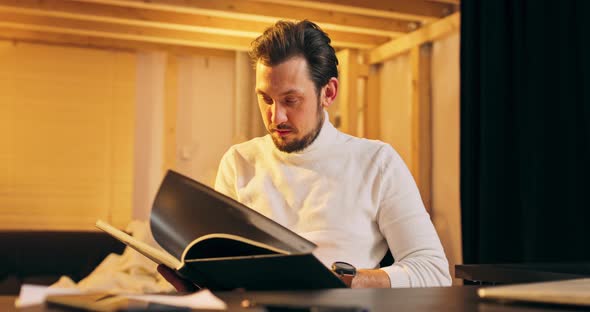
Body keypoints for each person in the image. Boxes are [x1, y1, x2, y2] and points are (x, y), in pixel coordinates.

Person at [158, 20, 452, 289]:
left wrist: (352, 281)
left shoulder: (377, 162)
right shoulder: (238, 163)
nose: (276, 117)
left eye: (291, 100)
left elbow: (433, 270)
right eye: (266, 99)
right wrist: (198, 287)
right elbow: (222, 269)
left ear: (329, 92)